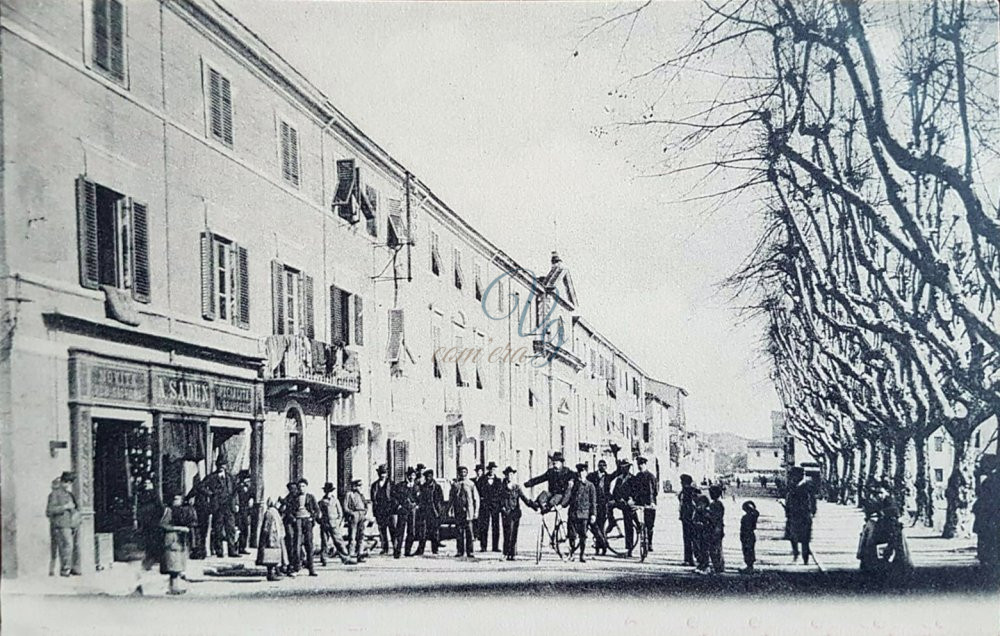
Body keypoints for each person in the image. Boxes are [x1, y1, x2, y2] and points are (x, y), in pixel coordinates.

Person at [193, 459, 239, 558]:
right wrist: (211, 494)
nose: (222, 466)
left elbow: (235, 492)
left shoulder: (230, 478)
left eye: (224, 464)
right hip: (218, 507)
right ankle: (219, 551)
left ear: (226, 466)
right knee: (218, 529)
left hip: (229, 506)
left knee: (231, 529)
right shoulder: (212, 477)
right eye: (220, 464)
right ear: (217, 465)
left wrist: (236, 504)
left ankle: (232, 551)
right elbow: (200, 487)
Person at [46, 472, 81, 577]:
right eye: (65, 482)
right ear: (61, 482)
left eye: (69, 483)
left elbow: (75, 508)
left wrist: (75, 516)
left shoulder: (70, 495)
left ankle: (71, 567)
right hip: (60, 525)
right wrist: (65, 507)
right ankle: (65, 570)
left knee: (71, 547)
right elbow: (49, 510)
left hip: (70, 525)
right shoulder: (54, 494)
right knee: (67, 546)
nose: (67, 485)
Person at [160, 495, 192, 595]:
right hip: (172, 539)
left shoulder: (181, 511)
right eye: (175, 499)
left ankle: (175, 586)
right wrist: (178, 528)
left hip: (179, 540)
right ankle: (172, 587)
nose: (176, 501)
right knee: (173, 564)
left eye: (178, 499)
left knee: (177, 564)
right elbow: (163, 524)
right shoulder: (169, 511)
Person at [783, 466, 816, 565]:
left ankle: (805, 558)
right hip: (793, 515)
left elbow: (812, 501)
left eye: (793, 475)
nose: (792, 477)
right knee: (793, 537)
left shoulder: (806, 486)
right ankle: (796, 554)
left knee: (804, 539)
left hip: (803, 515)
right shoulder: (793, 485)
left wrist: (812, 511)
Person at [499, 466, 533, 561]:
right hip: (506, 513)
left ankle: (512, 554)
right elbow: (498, 499)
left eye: (511, 474)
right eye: (508, 474)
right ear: (505, 475)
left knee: (514, 533)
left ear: (513, 475)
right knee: (507, 533)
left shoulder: (516, 487)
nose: (509, 476)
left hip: (515, 513)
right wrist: (502, 508)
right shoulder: (502, 487)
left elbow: (524, 498)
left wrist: (534, 505)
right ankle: (505, 553)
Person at [318, 482, 355, 565]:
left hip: (334, 523)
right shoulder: (321, 502)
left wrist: (338, 522)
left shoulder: (335, 501)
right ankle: (324, 559)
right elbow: (318, 513)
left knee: (339, 541)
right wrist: (320, 521)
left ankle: (345, 558)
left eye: (330, 491)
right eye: (327, 491)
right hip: (325, 524)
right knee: (324, 542)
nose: (328, 493)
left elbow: (340, 513)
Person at [568, 463, 597, 563]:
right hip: (573, 513)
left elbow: (593, 502)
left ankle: (582, 554)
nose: (581, 474)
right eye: (579, 472)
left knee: (583, 535)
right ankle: (572, 553)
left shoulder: (590, 486)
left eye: (583, 471)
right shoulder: (574, 484)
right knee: (572, 535)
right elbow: (568, 497)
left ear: (586, 473)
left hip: (584, 514)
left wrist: (593, 514)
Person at [973, 464, 999, 571]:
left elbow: (979, 495)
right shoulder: (990, 481)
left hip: (988, 516)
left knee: (987, 540)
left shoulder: (989, 481)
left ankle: (986, 561)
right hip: (989, 517)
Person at [450, 466, 480, 560]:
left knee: (469, 533)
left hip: (468, 512)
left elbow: (476, 499)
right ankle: (460, 551)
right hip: (458, 512)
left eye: (464, 472)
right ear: (458, 473)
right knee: (459, 532)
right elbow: (451, 499)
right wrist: (450, 510)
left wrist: (476, 511)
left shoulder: (471, 484)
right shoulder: (455, 485)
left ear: (467, 473)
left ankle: (470, 551)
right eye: (461, 472)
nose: (463, 474)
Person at [629, 456, 658, 551]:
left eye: (641, 464)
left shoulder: (651, 476)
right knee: (631, 511)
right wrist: (633, 499)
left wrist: (652, 502)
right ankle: (638, 526)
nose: (640, 466)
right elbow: (633, 489)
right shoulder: (637, 476)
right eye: (638, 465)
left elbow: (655, 491)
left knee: (650, 525)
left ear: (645, 464)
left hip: (650, 503)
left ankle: (649, 543)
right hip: (639, 502)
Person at [256, 498, 288, 581]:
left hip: (275, 537)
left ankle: (275, 571)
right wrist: (271, 539)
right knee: (271, 555)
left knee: (274, 555)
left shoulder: (273, 512)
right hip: (272, 537)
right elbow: (269, 527)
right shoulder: (271, 512)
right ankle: (271, 573)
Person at [416, 469, 445, 555]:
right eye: (427, 477)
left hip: (434, 512)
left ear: (432, 477)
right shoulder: (423, 487)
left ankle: (435, 550)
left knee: (435, 532)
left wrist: (440, 511)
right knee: (423, 532)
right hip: (424, 512)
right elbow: (419, 499)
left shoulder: (437, 487)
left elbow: (441, 500)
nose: (428, 478)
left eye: (430, 476)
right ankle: (420, 550)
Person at [392, 468, 420, 558]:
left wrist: (417, 505)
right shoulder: (400, 486)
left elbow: (420, 498)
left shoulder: (416, 486)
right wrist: (398, 506)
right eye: (411, 475)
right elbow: (394, 497)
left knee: (412, 531)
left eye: (414, 475)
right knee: (400, 531)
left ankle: (407, 551)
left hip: (412, 510)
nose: (412, 477)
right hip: (403, 510)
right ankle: (397, 551)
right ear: (407, 476)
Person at [476, 462, 504, 553]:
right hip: (484, 506)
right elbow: (478, 492)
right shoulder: (482, 480)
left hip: (495, 506)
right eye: (491, 469)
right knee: (484, 526)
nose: (492, 471)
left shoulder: (498, 481)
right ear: (488, 470)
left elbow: (501, 495)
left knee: (496, 526)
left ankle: (495, 547)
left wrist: (500, 506)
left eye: (494, 469)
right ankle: (483, 546)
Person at [611, 458, 636, 556]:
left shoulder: (632, 479)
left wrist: (631, 498)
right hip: (621, 502)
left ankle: (629, 549)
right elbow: (615, 492)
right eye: (623, 467)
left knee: (629, 524)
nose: (624, 469)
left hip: (629, 503)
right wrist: (618, 498)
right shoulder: (619, 479)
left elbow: (635, 491)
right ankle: (611, 523)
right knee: (608, 507)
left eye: (626, 467)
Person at [587, 460, 613, 555]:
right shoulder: (592, 476)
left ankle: (601, 548)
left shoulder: (608, 477)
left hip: (603, 504)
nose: (602, 467)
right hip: (593, 503)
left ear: (606, 467)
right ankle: (601, 545)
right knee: (593, 525)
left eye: (604, 466)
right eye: (601, 465)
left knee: (600, 526)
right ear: (598, 466)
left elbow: (617, 472)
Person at [370, 465, 393, 555]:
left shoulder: (391, 484)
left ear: (387, 474)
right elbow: (373, 499)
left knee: (392, 530)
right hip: (380, 510)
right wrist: (375, 511)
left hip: (389, 510)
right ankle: (385, 548)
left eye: (384, 473)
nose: (382, 475)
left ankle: (395, 547)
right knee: (382, 531)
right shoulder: (374, 485)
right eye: (381, 473)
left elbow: (394, 497)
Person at [678, 474, 699, 566]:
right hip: (688, 517)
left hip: (689, 517)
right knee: (693, 538)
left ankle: (690, 559)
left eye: (682, 482)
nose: (681, 483)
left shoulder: (687, 491)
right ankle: (693, 558)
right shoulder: (693, 491)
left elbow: (689, 504)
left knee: (689, 538)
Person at [344, 479, 368, 560]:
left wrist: (365, 512)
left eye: (360, 486)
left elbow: (365, 505)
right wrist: (352, 513)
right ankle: (351, 554)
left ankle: (360, 554)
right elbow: (345, 507)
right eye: (358, 486)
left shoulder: (361, 495)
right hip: (354, 515)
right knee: (352, 535)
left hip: (361, 515)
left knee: (361, 535)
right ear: (354, 486)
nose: (360, 487)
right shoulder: (349, 494)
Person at [234, 470, 254, 556]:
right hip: (239, 511)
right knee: (238, 529)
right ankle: (236, 547)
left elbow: (252, 495)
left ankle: (242, 547)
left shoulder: (248, 487)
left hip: (246, 511)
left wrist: (252, 499)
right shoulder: (238, 487)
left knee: (245, 529)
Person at [691, 494, 712, 574]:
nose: (699, 505)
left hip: (705, 533)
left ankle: (706, 566)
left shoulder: (707, 512)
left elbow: (710, 522)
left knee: (704, 550)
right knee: (697, 549)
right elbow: (693, 520)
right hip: (698, 533)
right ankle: (700, 564)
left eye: (701, 504)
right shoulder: (697, 511)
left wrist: (703, 524)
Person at [707, 485, 725, 573]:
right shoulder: (718, 504)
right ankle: (719, 565)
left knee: (714, 548)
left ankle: (717, 565)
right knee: (718, 547)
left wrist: (707, 515)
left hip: (715, 528)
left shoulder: (714, 505)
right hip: (718, 528)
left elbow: (716, 517)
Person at [739, 500, 759, 575]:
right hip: (748, 535)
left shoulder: (749, 517)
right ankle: (749, 566)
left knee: (748, 551)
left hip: (747, 535)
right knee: (747, 551)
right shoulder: (752, 516)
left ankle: (750, 567)